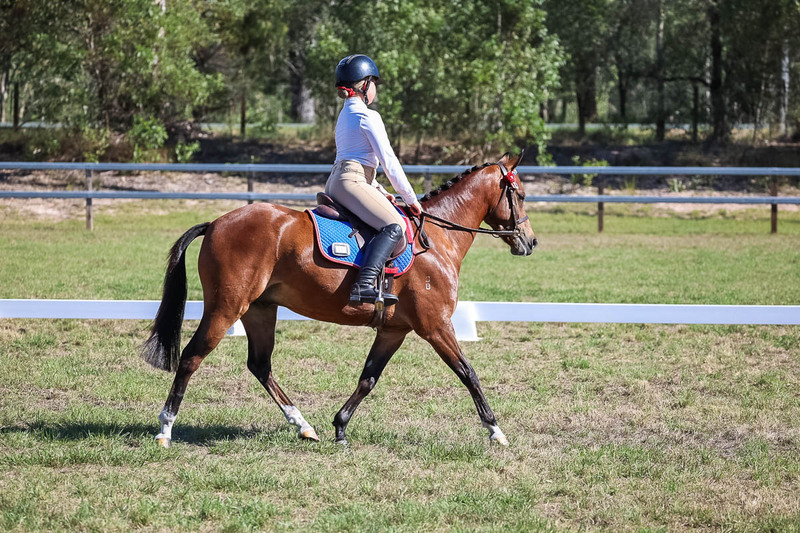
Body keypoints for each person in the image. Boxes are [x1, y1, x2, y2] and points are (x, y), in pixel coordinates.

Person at [326, 54, 423, 306]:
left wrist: (377, 188)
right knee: (394, 225)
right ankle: (364, 285)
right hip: (352, 183)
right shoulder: (368, 116)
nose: (376, 89)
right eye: (374, 83)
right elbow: (389, 161)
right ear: (365, 84)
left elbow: (353, 157)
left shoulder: (344, 115)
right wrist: (411, 199)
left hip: (338, 181)